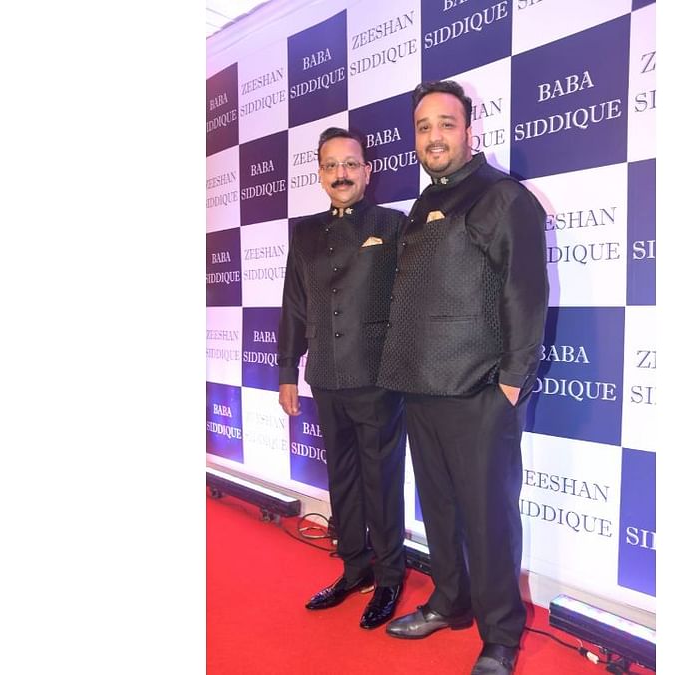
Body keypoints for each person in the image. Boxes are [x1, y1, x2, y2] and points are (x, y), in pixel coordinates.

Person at [377, 81, 548, 675]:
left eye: (445, 124)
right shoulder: (424, 204)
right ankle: (449, 601)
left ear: (469, 128)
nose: (434, 137)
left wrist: (511, 380)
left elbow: (526, 294)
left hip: (479, 391)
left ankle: (501, 635)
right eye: (423, 128)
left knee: (488, 516)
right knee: (440, 509)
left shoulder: (502, 197)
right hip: (421, 386)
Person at [277, 126, 407, 630]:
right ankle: (355, 569)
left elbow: (410, 299)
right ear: (320, 175)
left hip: (377, 376)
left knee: (382, 480)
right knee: (343, 480)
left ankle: (392, 576)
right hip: (325, 376)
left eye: (350, 164)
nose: (341, 174)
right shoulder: (304, 231)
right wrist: (288, 370)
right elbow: (293, 303)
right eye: (331, 166)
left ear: (366, 171)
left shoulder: (392, 225)